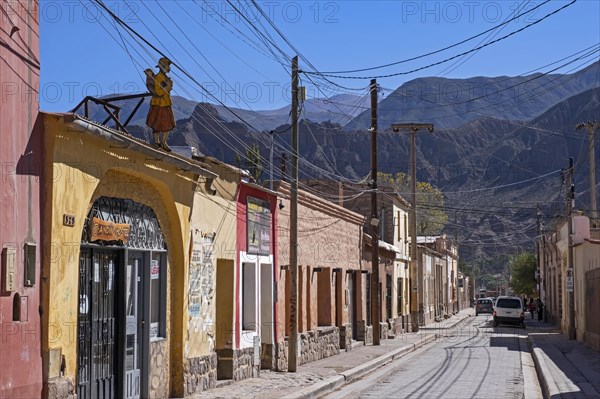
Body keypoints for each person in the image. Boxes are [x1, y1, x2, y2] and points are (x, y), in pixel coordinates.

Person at [145, 57, 175, 152]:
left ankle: (163, 142)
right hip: (159, 104)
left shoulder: (165, 78)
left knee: (166, 125)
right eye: (167, 66)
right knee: (157, 124)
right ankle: (157, 142)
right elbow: (158, 92)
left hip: (165, 103)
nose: (169, 68)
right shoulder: (158, 77)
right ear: (162, 66)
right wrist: (168, 86)